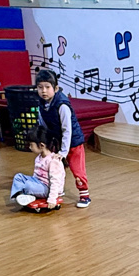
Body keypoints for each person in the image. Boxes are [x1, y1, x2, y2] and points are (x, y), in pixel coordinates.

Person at [35, 69, 91, 208]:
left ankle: (85, 195)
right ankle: (57, 191)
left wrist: (64, 152)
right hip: (57, 140)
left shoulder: (62, 105)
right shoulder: (41, 104)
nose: (43, 91)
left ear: (55, 88)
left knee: (77, 170)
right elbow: (43, 125)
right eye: (40, 87)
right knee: (55, 167)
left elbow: (67, 130)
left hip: (73, 142)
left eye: (47, 87)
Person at [9, 125, 65, 212]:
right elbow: (35, 176)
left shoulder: (53, 161)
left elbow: (55, 182)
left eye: (31, 145)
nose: (30, 147)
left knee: (28, 185)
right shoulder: (39, 157)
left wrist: (52, 199)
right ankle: (19, 195)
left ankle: (27, 194)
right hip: (39, 184)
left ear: (41, 145)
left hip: (48, 188)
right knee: (18, 177)